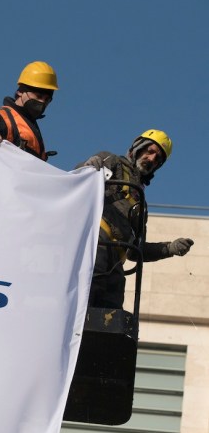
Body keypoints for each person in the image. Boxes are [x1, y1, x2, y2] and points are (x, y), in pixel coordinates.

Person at [78, 129, 194, 309]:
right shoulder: (112, 161)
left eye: (158, 159)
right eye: (150, 151)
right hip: (94, 250)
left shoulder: (140, 203)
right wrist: (87, 168)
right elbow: (76, 184)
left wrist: (169, 248)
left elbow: (136, 251)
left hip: (115, 269)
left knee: (110, 326)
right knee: (80, 311)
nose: (152, 159)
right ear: (138, 148)